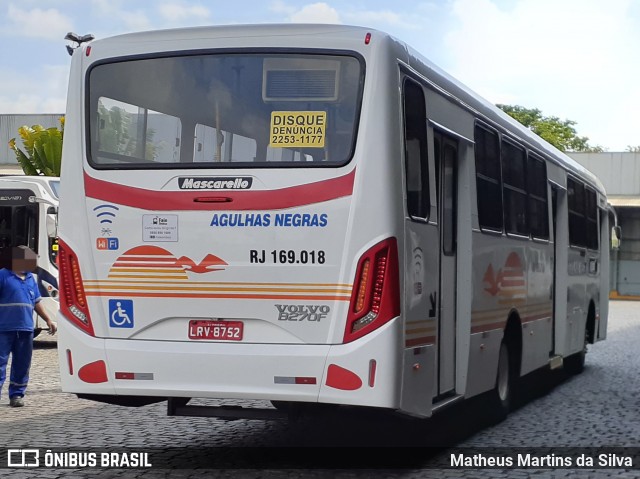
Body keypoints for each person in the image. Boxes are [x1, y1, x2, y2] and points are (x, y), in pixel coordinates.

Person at [0, 245, 57, 407]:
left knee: (22, 364)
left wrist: (48, 320)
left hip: (25, 329)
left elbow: (36, 302)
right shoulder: (3, 275)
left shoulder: (32, 279)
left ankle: (17, 395)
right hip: (3, 329)